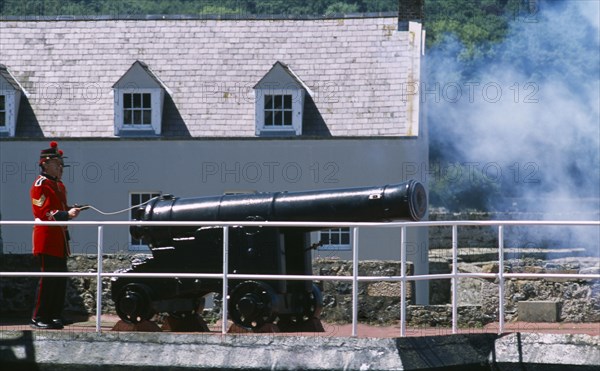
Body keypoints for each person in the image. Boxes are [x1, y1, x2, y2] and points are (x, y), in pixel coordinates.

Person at [30, 141, 81, 329]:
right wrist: (66, 214)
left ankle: (54, 315)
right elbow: (43, 212)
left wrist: (71, 210)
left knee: (60, 279)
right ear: (45, 163)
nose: (60, 167)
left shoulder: (59, 185)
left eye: (60, 164)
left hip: (60, 240)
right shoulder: (40, 185)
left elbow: (60, 209)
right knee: (47, 280)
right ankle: (39, 317)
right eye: (56, 163)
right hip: (47, 239)